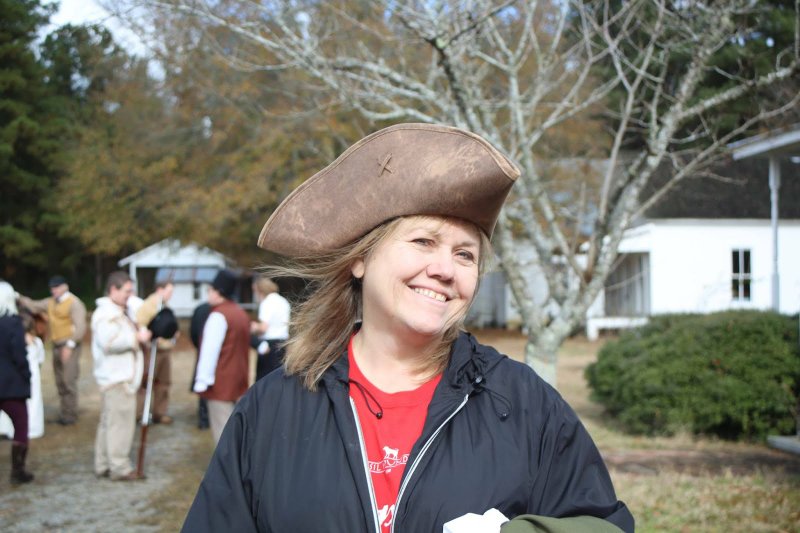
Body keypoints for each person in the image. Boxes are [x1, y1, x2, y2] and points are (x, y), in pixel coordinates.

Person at [182, 123, 634, 532]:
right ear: (360, 259)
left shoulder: (524, 405)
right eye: (423, 241)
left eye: (465, 255)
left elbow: (602, 524)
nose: (445, 269)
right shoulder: (272, 410)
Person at [91, 271, 151, 481]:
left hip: (119, 377)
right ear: (113, 290)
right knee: (120, 424)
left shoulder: (121, 310)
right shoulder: (105, 314)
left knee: (109, 423)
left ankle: (103, 463)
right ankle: (119, 467)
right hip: (117, 378)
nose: (129, 295)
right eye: (126, 291)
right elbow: (109, 342)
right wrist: (136, 337)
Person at [19, 275, 87, 425]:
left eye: (56, 287)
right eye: (52, 288)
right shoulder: (50, 302)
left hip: (69, 345)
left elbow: (81, 326)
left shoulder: (74, 303)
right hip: (56, 344)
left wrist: (70, 345)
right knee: (59, 381)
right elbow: (33, 305)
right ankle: (65, 412)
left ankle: (70, 415)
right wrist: (18, 297)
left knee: (68, 380)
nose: (53, 290)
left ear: (65, 287)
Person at [192, 269, 250, 444]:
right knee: (238, 431)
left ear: (218, 292)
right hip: (240, 378)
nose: (208, 294)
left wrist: (202, 381)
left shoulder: (218, 315)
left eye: (210, 290)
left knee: (223, 434)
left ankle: (226, 470)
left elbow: (209, 352)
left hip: (221, 381)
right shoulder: (240, 313)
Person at [0, 281, 35, 484]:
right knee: (21, 427)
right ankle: (17, 470)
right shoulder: (12, 323)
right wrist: (26, 375)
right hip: (11, 385)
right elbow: (19, 355)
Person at [135, 281, 177, 424]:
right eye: (169, 291)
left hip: (165, 350)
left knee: (163, 383)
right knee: (146, 382)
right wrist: (148, 340)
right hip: (152, 350)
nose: (171, 295)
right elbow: (140, 325)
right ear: (160, 290)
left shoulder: (166, 306)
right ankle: (140, 413)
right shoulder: (148, 306)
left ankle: (160, 412)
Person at [0, 310, 46, 440]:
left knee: (30, 403)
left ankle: (25, 429)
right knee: (31, 403)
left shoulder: (16, 340)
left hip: (22, 376)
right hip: (29, 375)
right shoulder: (36, 342)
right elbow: (40, 359)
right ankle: (31, 428)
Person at [250, 275, 290, 381]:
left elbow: (263, 328)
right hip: (283, 343)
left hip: (269, 345)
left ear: (260, 290)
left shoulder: (267, 302)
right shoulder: (283, 301)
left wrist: (253, 327)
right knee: (279, 378)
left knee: (263, 379)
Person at [189, 301, 212, 429]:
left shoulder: (200, 309)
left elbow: (192, 332)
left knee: (203, 382)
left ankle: (203, 418)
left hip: (202, 349)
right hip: (212, 352)